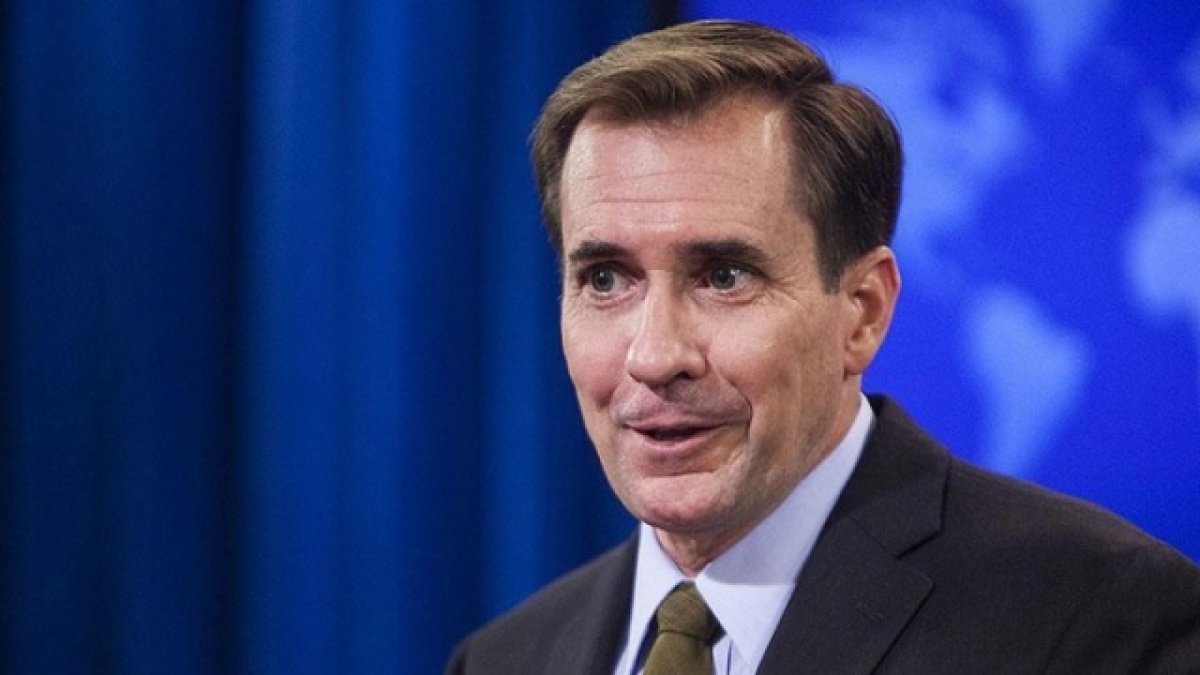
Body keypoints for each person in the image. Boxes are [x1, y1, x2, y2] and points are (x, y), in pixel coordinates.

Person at [447, 20, 1200, 674]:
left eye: (724, 276)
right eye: (606, 279)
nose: (653, 355)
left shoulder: (1096, 618)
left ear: (862, 312)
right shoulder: (503, 660)